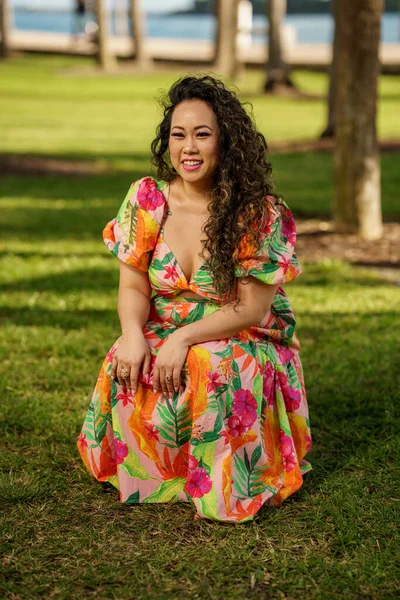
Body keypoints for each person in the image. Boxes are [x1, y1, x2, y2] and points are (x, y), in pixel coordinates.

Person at [77, 75, 312, 523]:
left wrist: (182, 338)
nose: (188, 147)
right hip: (165, 323)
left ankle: (223, 478)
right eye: (178, 135)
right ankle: (156, 469)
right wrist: (133, 333)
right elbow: (133, 286)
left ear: (227, 142)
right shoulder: (147, 199)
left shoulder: (256, 213)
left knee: (214, 366)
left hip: (242, 332)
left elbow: (251, 308)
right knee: (125, 357)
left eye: (202, 134)